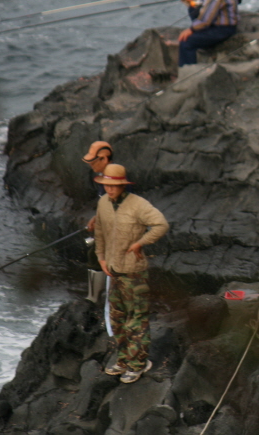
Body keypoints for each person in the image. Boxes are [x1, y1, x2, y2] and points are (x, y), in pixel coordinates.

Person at [94, 164, 169, 384]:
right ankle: (124, 359)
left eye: (114, 185)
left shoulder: (138, 205)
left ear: (122, 185)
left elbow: (161, 224)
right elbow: (99, 231)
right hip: (114, 270)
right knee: (116, 319)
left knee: (136, 321)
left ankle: (138, 365)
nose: (109, 189)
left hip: (134, 274)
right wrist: (101, 257)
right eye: (106, 185)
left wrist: (140, 243)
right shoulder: (102, 203)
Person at [82, 141, 113, 303]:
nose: (91, 166)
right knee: (92, 253)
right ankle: (94, 296)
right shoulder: (102, 179)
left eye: (94, 162)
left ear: (105, 159)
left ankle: (96, 298)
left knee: (96, 253)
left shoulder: (115, 178)